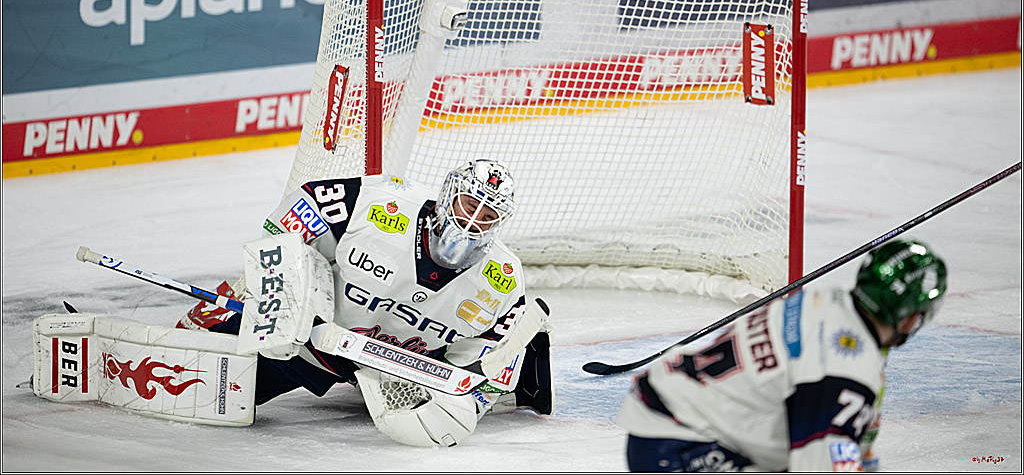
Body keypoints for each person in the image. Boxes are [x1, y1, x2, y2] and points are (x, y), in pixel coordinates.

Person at [178, 159, 553, 447]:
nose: (472, 222)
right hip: (310, 351)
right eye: (468, 204)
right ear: (448, 195)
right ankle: (219, 317)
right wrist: (290, 304)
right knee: (203, 391)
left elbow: (493, 362)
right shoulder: (381, 206)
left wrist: (469, 402)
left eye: (487, 217)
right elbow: (288, 223)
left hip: (390, 379)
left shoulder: (502, 279)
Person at [616, 237, 947, 472]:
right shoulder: (846, 373)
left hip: (675, 419)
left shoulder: (825, 301)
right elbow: (822, 465)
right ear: (908, 317)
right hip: (680, 443)